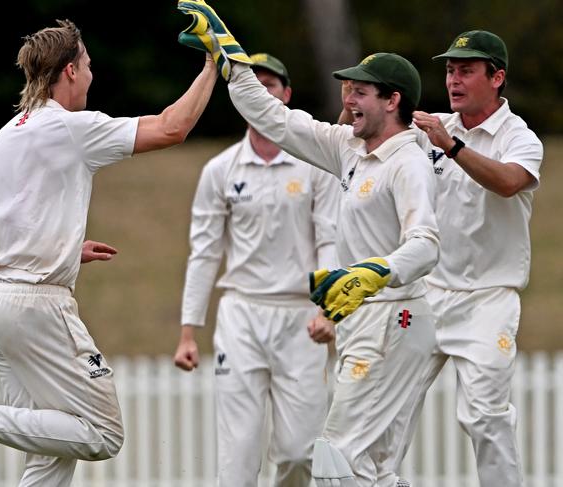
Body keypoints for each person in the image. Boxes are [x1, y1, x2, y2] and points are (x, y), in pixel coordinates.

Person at [0, 19, 218, 486]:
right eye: (90, 65)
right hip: (37, 308)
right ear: (71, 71)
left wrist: (63, 247)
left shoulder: (2, 138)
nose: (93, 75)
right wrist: (213, 65)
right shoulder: (72, 129)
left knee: (50, 446)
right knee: (102, 432)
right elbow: (171, 128)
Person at [175, 6, 440, 487]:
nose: (347, 98)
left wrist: (376, 272)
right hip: (367, 318)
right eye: (347, 88)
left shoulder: (409, 162)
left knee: (336, 461)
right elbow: (275, 119)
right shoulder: (348, 148)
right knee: (375, 470)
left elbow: (426, 245)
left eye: (360, 91)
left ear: (393, 100)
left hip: (394, 317)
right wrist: (229, 58)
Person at [173, 52, 339, 487]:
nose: (263, 93)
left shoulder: (314, 164)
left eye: (271, 85)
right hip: (241, 315)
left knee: (300, 451)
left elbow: (329, 240)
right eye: (255, 85)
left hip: (301, 317)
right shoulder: (219, 171)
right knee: (238, 453)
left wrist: (329, 309)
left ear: (286, 95)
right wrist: (189, 331)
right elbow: (204, 251)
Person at [388, 30, 544, 487]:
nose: (454, 80)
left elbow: (510, 182)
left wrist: (451, 147)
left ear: (497, 77)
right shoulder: (431, 127)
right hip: (428, 293)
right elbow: (363, 139)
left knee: (484, 417)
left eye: (467, 71)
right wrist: (362, 97)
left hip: (488, 299)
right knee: (389, 404)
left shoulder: (520, 137)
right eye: (450, 70)